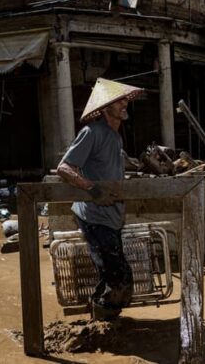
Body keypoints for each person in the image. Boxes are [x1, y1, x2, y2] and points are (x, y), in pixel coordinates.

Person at [56, 78, 143, 321]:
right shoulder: (92, 132)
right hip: (94, 215)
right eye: (118, 100)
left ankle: (103, 322)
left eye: (125, 99)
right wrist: (93, 189)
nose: (125, 103)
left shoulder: (116, 137)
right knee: (116, 278)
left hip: (112, 217)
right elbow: (64, 168)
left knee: (119, 276)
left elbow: (112, 166)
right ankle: (102, 329)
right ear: (106, 107)